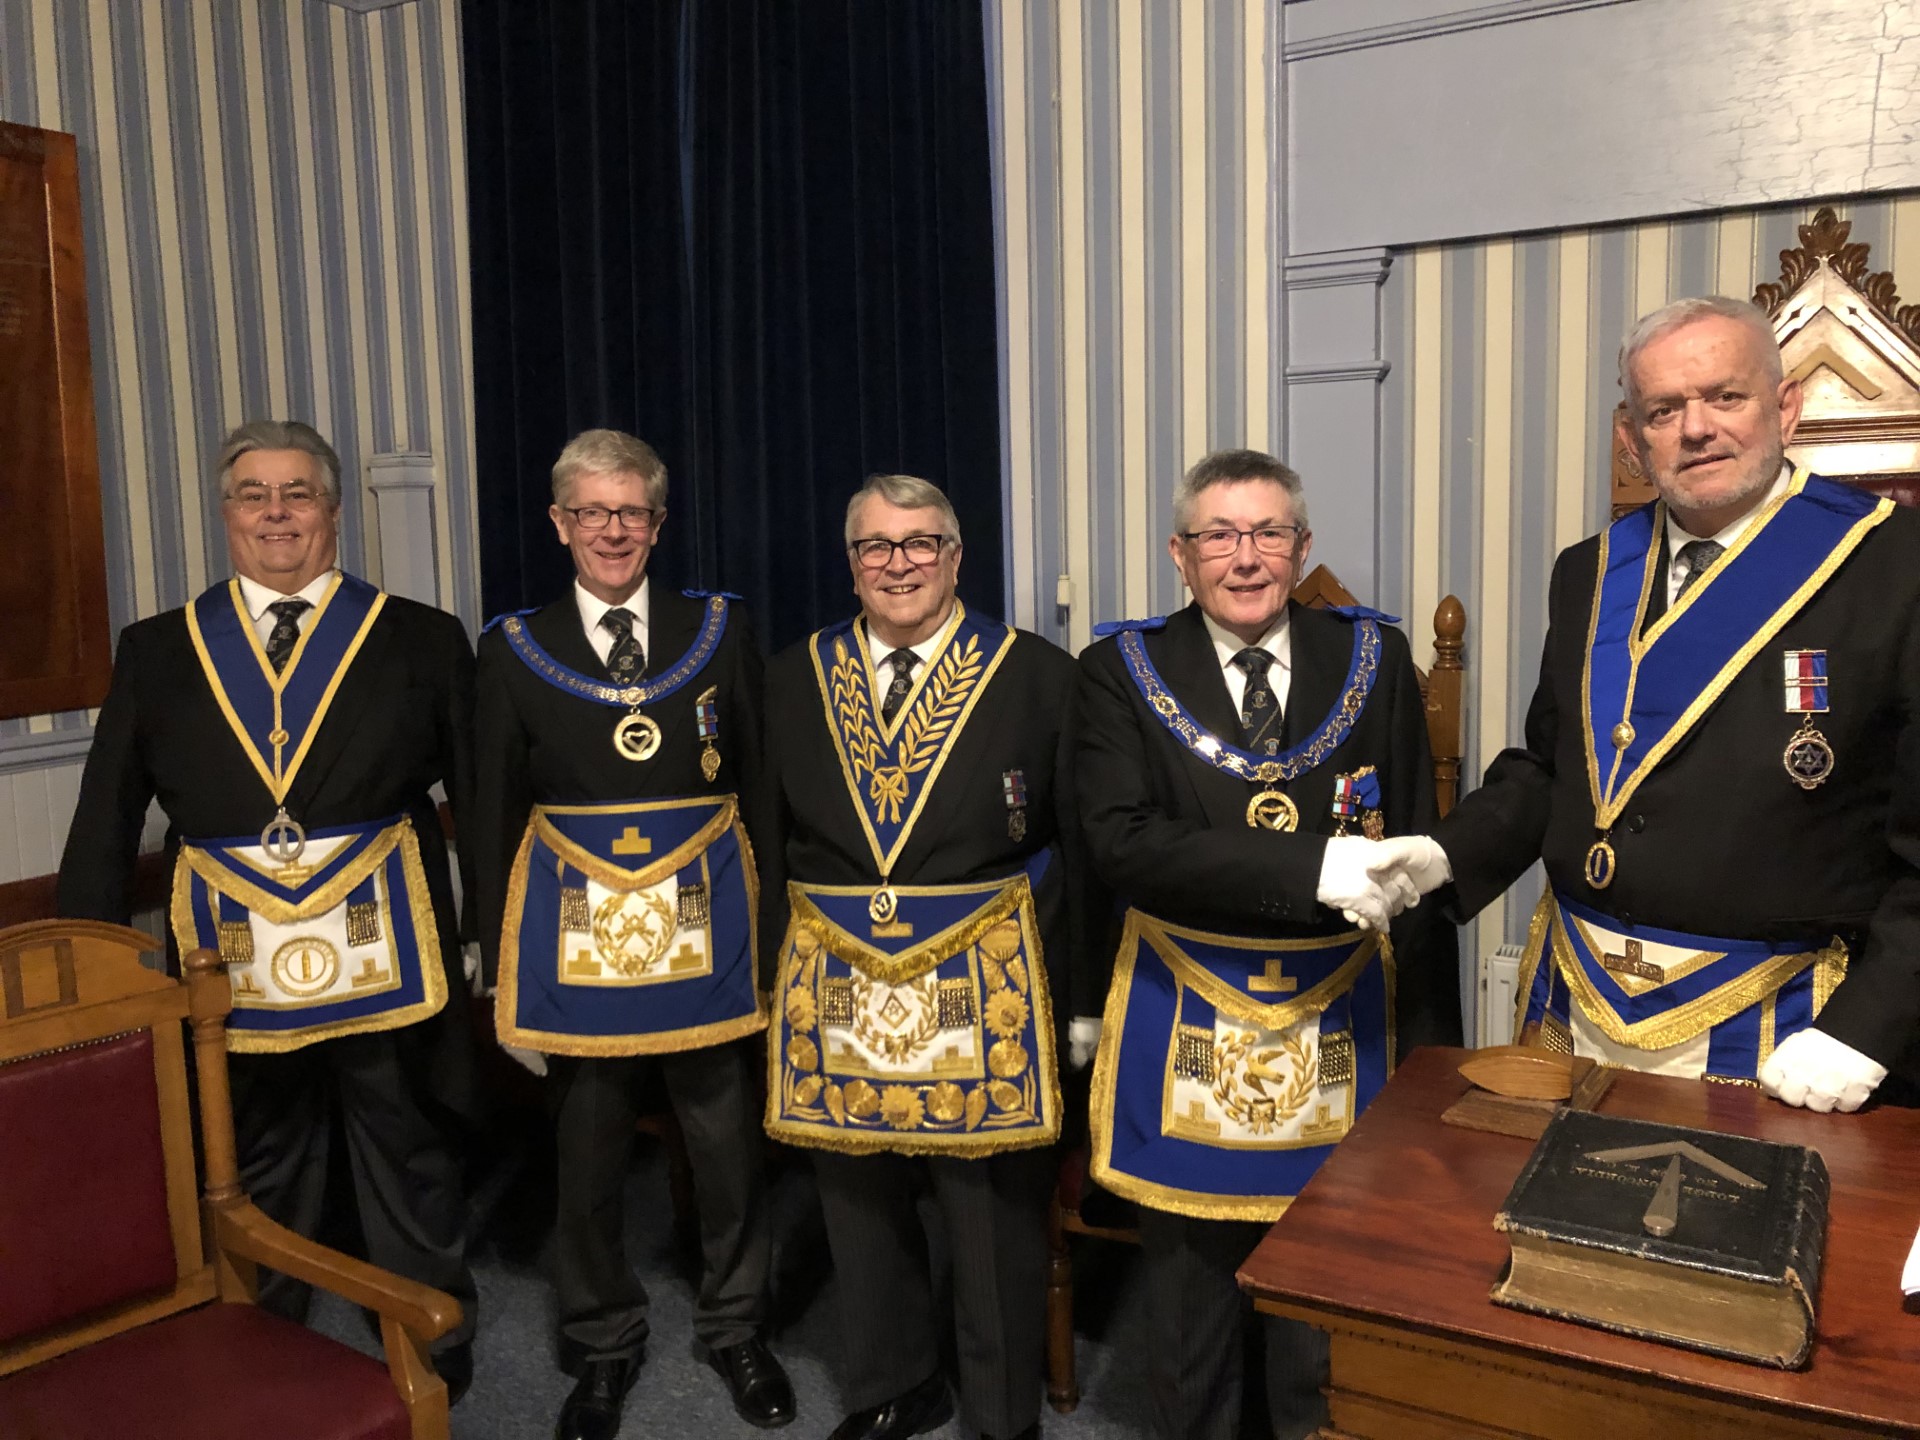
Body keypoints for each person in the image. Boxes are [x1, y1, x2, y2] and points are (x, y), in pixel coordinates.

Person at [1372, 295, 1920, 1112]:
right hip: (1578, 999)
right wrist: (1447, 854)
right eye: (1665, 409)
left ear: (1787, 406)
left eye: (1725, 397)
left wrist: (1870, 1028)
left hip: (1789, 1027)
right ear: (1633, 438)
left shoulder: (1893, 564)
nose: (1696, 428)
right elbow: (1554, 768)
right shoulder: (1589, 571)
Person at [56, 419, 478, 1397]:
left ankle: (431, 1332)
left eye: (298, 493)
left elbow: (479, 800)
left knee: (403, 1140)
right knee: (256, 1147)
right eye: (255, 494)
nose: (276, 513)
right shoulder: (159, 650)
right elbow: (108, 812)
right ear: (226, 512)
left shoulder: (418, 636)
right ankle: (267, 1331)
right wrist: (87, 960)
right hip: (229, 950)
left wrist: (487, 934)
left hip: (386, 939)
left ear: (332, 511)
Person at [1071, 447, 1459, 1440]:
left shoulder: (1374, 660)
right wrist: (1312, 871)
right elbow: (1121, 844)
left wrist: (1431, 1054)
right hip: (1184, 1016)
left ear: (1301, 546)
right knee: (1189, 1310)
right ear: (1180, 553)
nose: (1244, 558)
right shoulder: (1118, 671)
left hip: (1342, 1025)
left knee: (1323, 1302)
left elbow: (1415, 858)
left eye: (1268, 533)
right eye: (1219, 536)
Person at [470, 429, 794, 1439]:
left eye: (631, 512)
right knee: (589, 1156)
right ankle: (601, 1344)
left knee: (727, 1146)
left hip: (710, 936)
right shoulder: (512, 648)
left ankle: (736, 1327)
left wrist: (776, 931)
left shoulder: (718, 629)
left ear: (657, 525)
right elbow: (489, 813)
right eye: (592, 512)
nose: (613, 530)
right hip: (577, 948)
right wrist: (494, 958)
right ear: (561, 524)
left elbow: (765, 791)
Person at [760, 474, 1078, 1440]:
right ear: (851, 565)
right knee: (857, 1193)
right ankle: (893, 1384)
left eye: (919, 544)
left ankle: (998, 1412)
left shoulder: (1037, 672)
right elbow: (771, 839)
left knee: (989, 1210)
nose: (898, 564)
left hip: (988, 972)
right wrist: (776, 980)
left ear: (955, 556)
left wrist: (1069, 999)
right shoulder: (791, 675)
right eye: (875, 547)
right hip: (837, 970)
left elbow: (1080, 843)